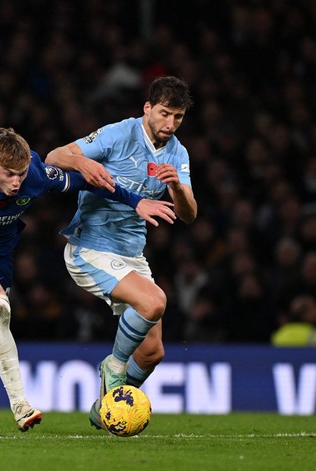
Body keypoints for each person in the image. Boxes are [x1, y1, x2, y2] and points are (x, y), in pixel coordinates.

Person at [0, 127, 176, 431]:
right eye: (10, 174)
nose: (16, 182)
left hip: (1, 254)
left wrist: (135, 202)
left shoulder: (37, 175)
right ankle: (20, 405)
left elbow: (91, 183)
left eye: (21, 174)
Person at [45, 76, 197, 430]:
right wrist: (85, 164)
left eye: (178, 117)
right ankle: (112, 367)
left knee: (151, 352)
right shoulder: (119, 134)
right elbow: (55, 156)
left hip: (131, 255)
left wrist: (176, 187)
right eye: (164, 114)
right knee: (154, 301)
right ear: (147, 108)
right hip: (90, 248)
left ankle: (108, 409)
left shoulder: (178, 152)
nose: (170, 124)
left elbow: (189, 215)